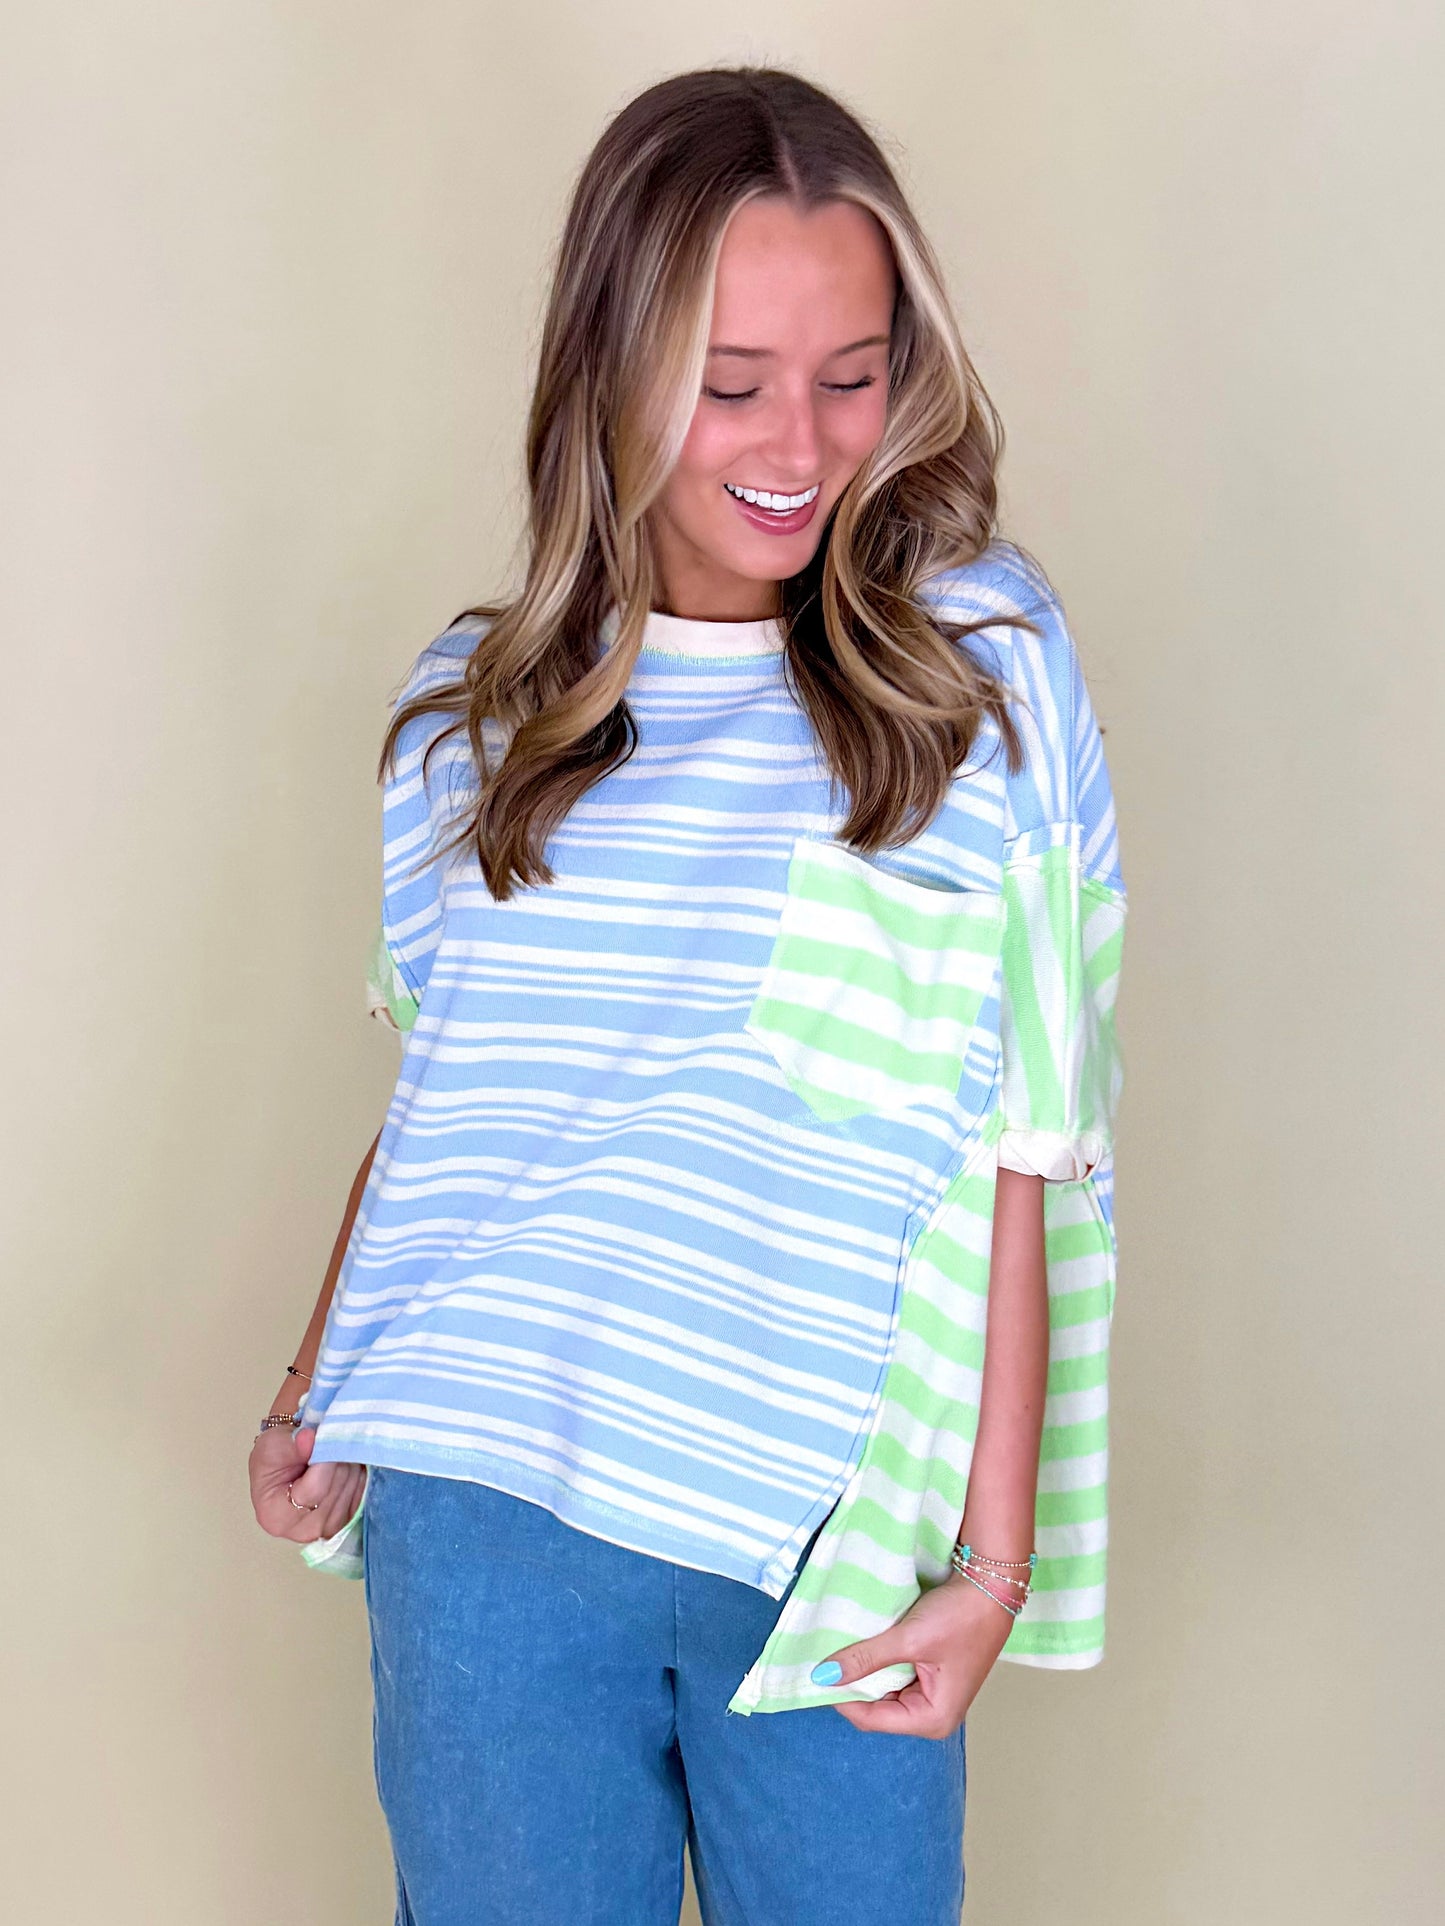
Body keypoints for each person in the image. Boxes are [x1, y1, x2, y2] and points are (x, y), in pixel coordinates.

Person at [249, 64, 1127, 1926]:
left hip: (828, 1537)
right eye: (729, 382)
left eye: (851, 373)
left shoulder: (979, 672)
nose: (798, 440)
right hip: (480, 1513)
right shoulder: (467, 719)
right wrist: (313, 1383)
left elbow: (1029, 1131)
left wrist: (989, 1564)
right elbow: (446, 1099)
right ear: (609, 369)